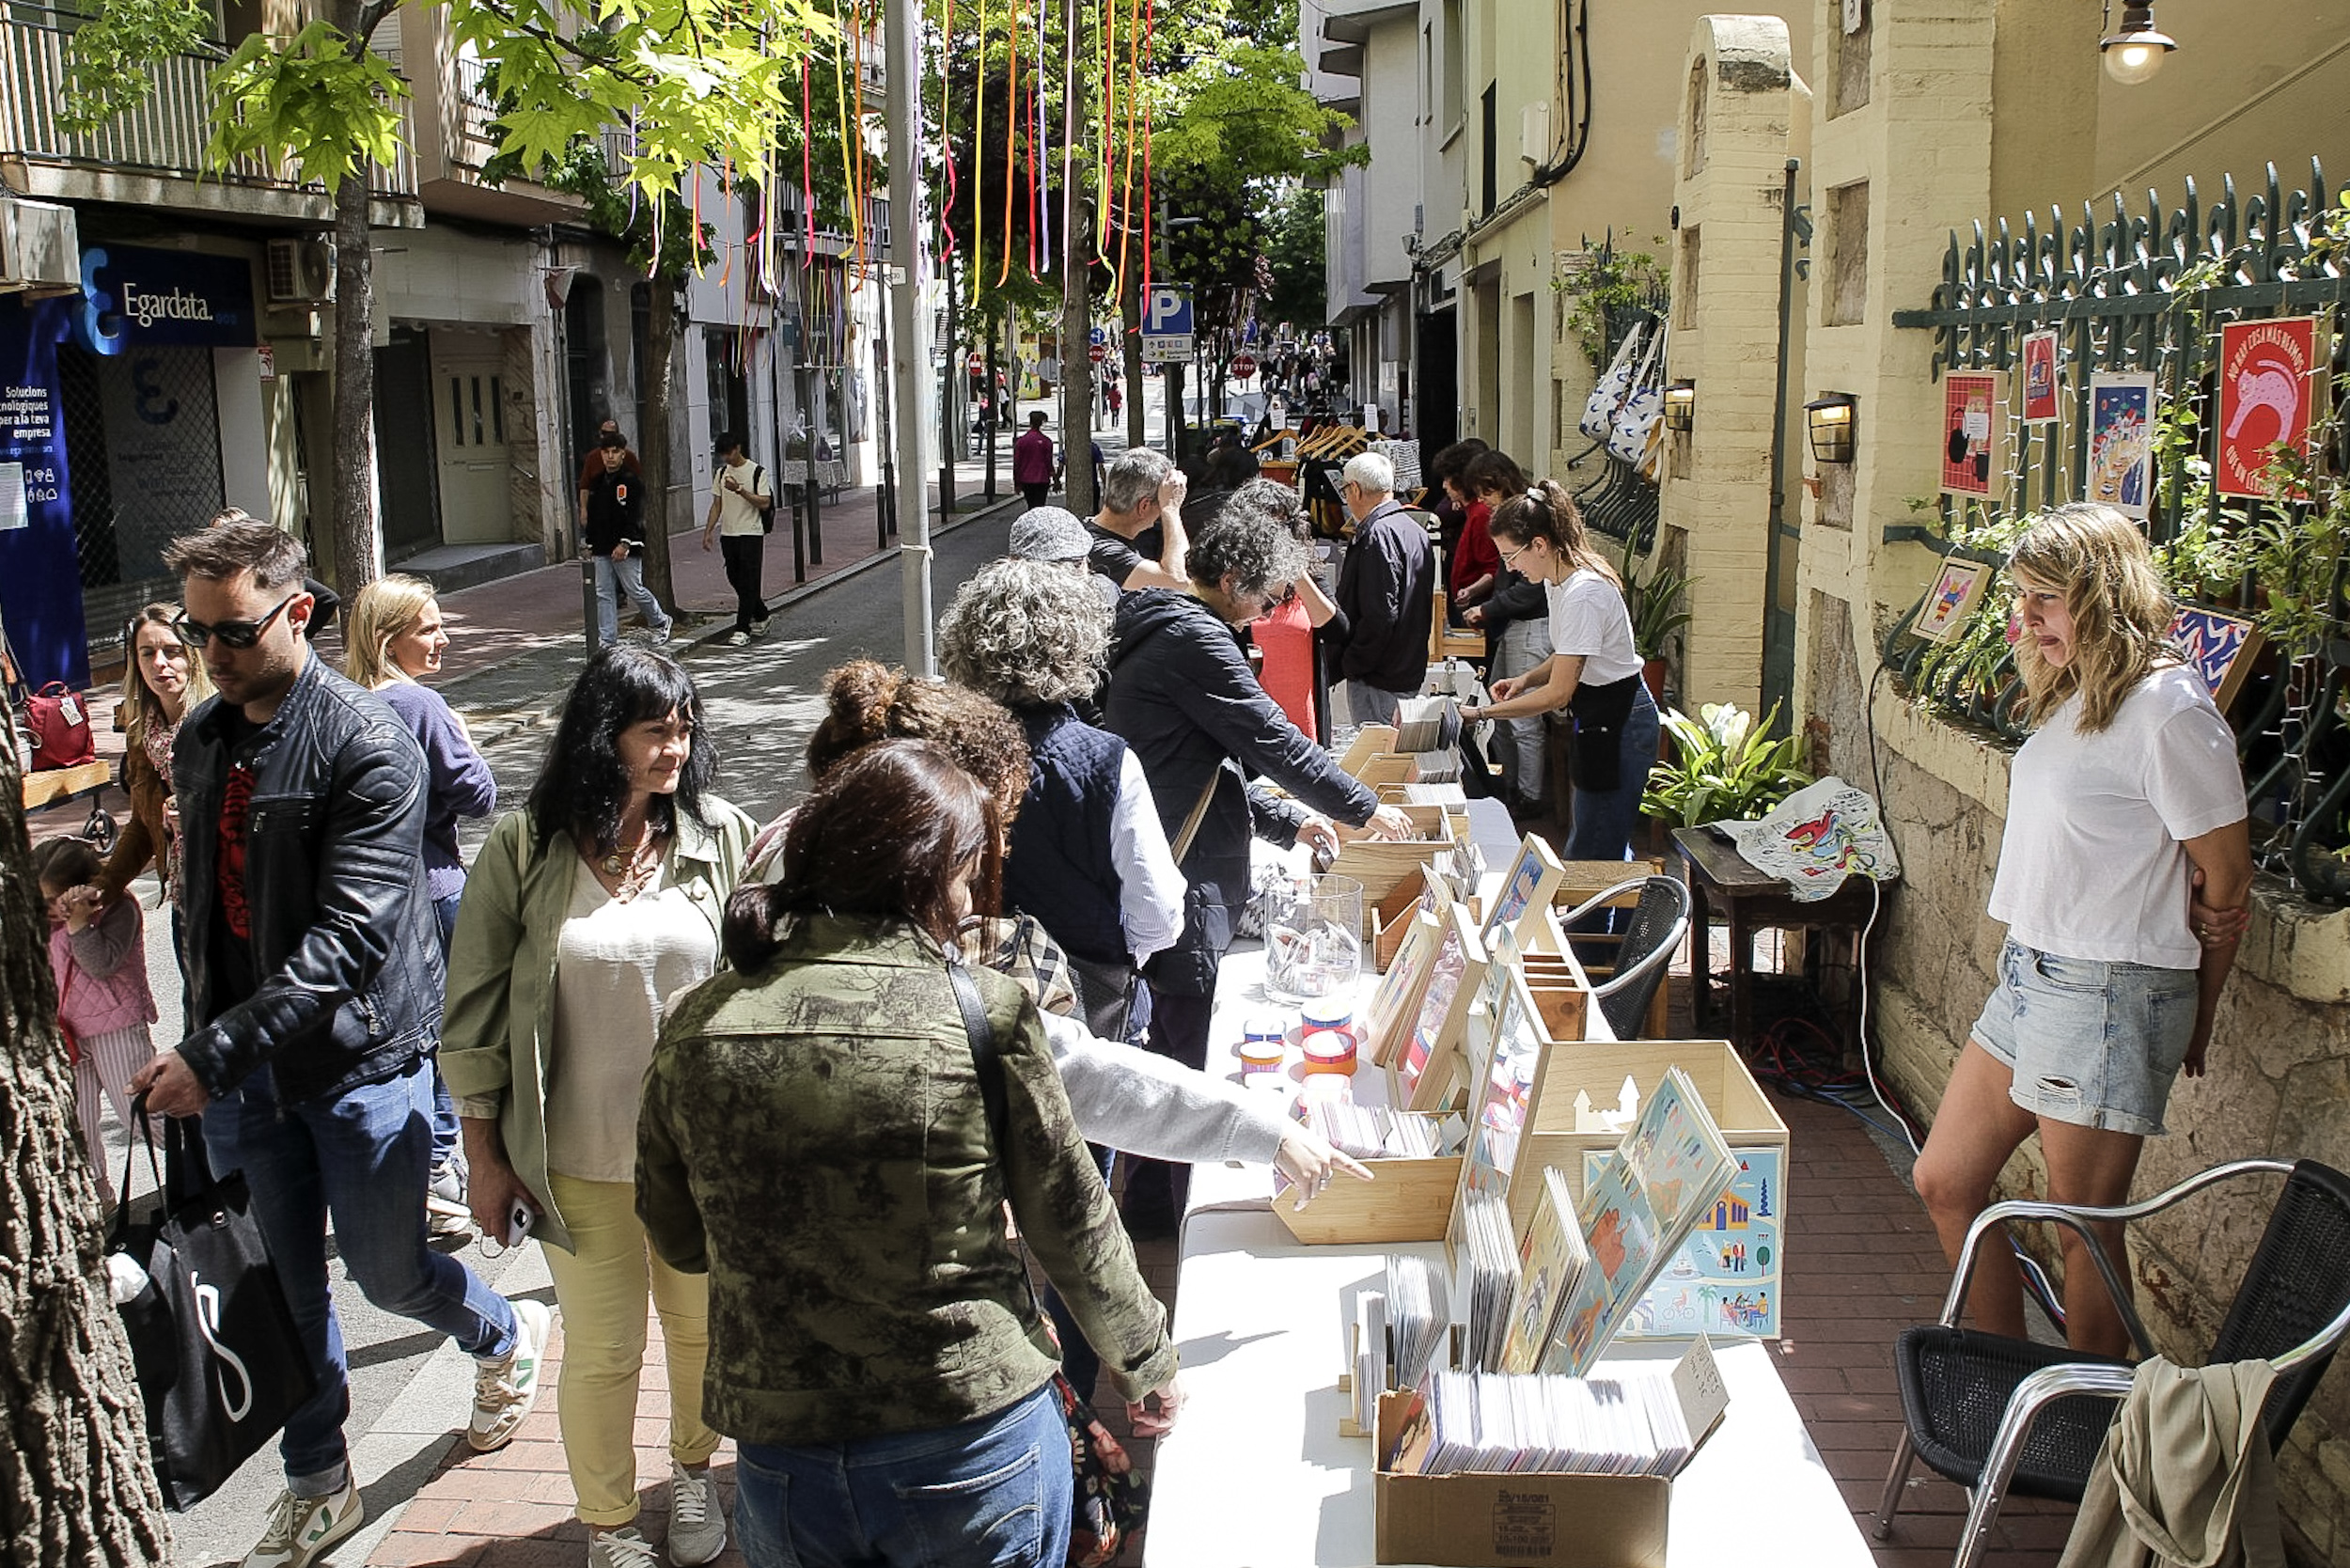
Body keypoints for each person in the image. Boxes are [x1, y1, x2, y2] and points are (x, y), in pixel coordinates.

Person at [638, 741, 1183, 1568]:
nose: (968, 901)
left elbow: (675, 1234)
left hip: (785, 1447)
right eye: (965, 876)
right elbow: (1070, 1219)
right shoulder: (985, 1013)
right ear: (929, 876)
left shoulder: (694, 1020)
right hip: (968, 1436)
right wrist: (1145, 1361)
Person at [128, 519, 547, 1568]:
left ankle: (501, 1333)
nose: (210, 655)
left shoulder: (367, 740)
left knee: (390, 1274)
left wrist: (208, 1057)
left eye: (231, 632)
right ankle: (319, 1482)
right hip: (239, 1081)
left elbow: (347, 945)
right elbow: (199, 914)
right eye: (196, 630)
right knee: (284, 1293)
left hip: (359, 1071)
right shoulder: (198, 742)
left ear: (298, 612)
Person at [1910, 504, 2251, 1359]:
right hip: (2034, 975)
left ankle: (2082, 1434)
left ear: (2103, 595)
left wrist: (2199, 1013)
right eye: (2022, 599)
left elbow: (2228, 881)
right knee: (1946, 1179)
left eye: (2046, 601)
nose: (2025, 620)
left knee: (2081, 1229)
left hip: (2111, 987)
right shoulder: (2084, 695)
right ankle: (2010, 1381)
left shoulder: (2171, 711)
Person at [441, 645, 754, 1568]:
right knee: (607, 1351)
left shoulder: (720, 837)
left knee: (700, 1332)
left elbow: (764, 984)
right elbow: (474, 1011)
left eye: (684, 728)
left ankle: (693, 1473)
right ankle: (609, 1525)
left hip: (697, 1160)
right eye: (655, 729)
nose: (675, 748)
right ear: (601, 735)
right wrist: (485, 1158)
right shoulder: (524, 849)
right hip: (575, 1157)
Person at [1105, 504, 1415, 1225]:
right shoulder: (1197, 642)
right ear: (1234, 579)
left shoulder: (1181, 630)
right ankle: (1177, 1210)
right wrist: (1363, 808)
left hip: (1181, 861)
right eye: (1269, 597)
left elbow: (1214, 765)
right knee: (1186, 1048)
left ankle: (1156, 1198)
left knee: (1176, 1041)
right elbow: (1272, 740)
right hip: (1179, 881)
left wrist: (1294, 819)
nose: (1271, 614)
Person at [938, 557, 1184, 1043]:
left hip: (963, 1005)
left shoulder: (933, 757)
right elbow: (1157, 913)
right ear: (1073, 647)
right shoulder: (1105, 760)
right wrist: (1111, 953)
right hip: (1083, 1009)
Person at [344, 573, 499, 1239]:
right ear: (389, 639)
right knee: (450, 1035)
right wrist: (462, 737)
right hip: (435, 889)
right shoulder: (419, 706)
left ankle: (410, 1167)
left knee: (401, 1033)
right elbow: (480, 795)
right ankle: (439, 1165)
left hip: (370, 901)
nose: (442, 639)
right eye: (428, 629)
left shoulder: (342, 703)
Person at [1462, 479, 1658, 862]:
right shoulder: (1558, 581)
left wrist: (1483, 714)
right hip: (1602, 715)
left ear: (1540, 544)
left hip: (1620, 720)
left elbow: (1559, 693)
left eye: (1511, 555)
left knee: (1596, 844)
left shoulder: (1582, 592)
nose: (1510, 567)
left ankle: (1603, 922)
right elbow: (1574, 654)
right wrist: (1525, 679)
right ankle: (1611, 920)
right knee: (1598, 835)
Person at [35, 837, 157, 1210]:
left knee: (140, 1112)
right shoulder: (42, 920)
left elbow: (101, 964)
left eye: (56, 899)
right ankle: (95, 1198)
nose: (51, 910)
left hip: (114, 1025)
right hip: (66, 1033)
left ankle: (206, 1156)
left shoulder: (119, 909)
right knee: (77, 1123)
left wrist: (79, 923)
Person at [93, 602, 213, 907]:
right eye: (147, 653)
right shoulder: (141, 733)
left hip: (234, 891)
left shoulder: (222, 721)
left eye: (172, 651)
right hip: (182, 893)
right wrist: (103, 887)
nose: (160, 663)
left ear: (193, 657)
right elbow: (142, 826)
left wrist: (199, 812)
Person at [1457, 451, 1550, 813]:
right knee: (1504, 708)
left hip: (1528, 629)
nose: (1483, 501)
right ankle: (1512, 785)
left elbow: (1530, 588)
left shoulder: (1524, 523)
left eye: (1486, 493)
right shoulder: (1512, 521)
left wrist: (1488, 607)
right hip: (1514, 628)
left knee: (1523, 719)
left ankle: (1528, 794)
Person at [1324, 449, 1435, 729]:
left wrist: (1352, 663)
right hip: (1404, 668)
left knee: (1380, 762)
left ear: (1356, 490)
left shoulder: (1377, 534)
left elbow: (1380, 615)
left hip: (1379, 674)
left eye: (1345, 489)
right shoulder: (1414, 530)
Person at [582, 428, 674, 649]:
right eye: (606, 452)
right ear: (601, 454)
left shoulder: (631, 482)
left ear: (623, 454)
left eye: (615, 452)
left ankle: (660, 620)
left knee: (633, 588)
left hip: (627, 546)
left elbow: (636, 514)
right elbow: (593, 516)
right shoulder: (597, 482)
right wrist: (590, 543)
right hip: (602, 546)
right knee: (604, 592)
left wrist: (626, 542)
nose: (610, 456)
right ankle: (608, 639)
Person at [701, 433, 776, 646]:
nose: (727, 458)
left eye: (729, 452)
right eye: (723, 454)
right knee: (735, 577)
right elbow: (717, 505)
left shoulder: (756, 472)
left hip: (751, 532)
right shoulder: (722, 473)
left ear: (738, 447)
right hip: (729, 533)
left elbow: (764, 503)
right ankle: (761, 614)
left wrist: (740, 490)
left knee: (749, 579)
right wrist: (708, 532)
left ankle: (742, 628)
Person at [1085, 447, 1191, 596]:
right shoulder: (1105, 551)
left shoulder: (1089, 534)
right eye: (1161, 504)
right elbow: (1178, 581)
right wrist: (1171, 509)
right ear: (1144, 506)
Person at [1013, 410, 1057, 509]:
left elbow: (1017, 463)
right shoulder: (1046, 441)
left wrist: (1017, 483)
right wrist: (1055, 478)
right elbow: (1048, 463)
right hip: (1042, 479)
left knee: (1031, 505)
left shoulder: (1021, 441)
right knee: (1040, 505)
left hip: (1026, 479)